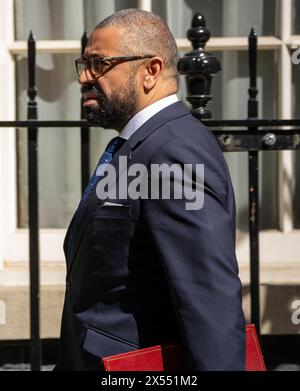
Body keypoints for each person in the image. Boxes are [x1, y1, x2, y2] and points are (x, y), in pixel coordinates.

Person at [54, 8, 245, 371]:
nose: (84, 77)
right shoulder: (138, 145)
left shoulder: (174, 150)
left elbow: (208, 299)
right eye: (83, 63)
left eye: (99, 63)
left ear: (151, 70)